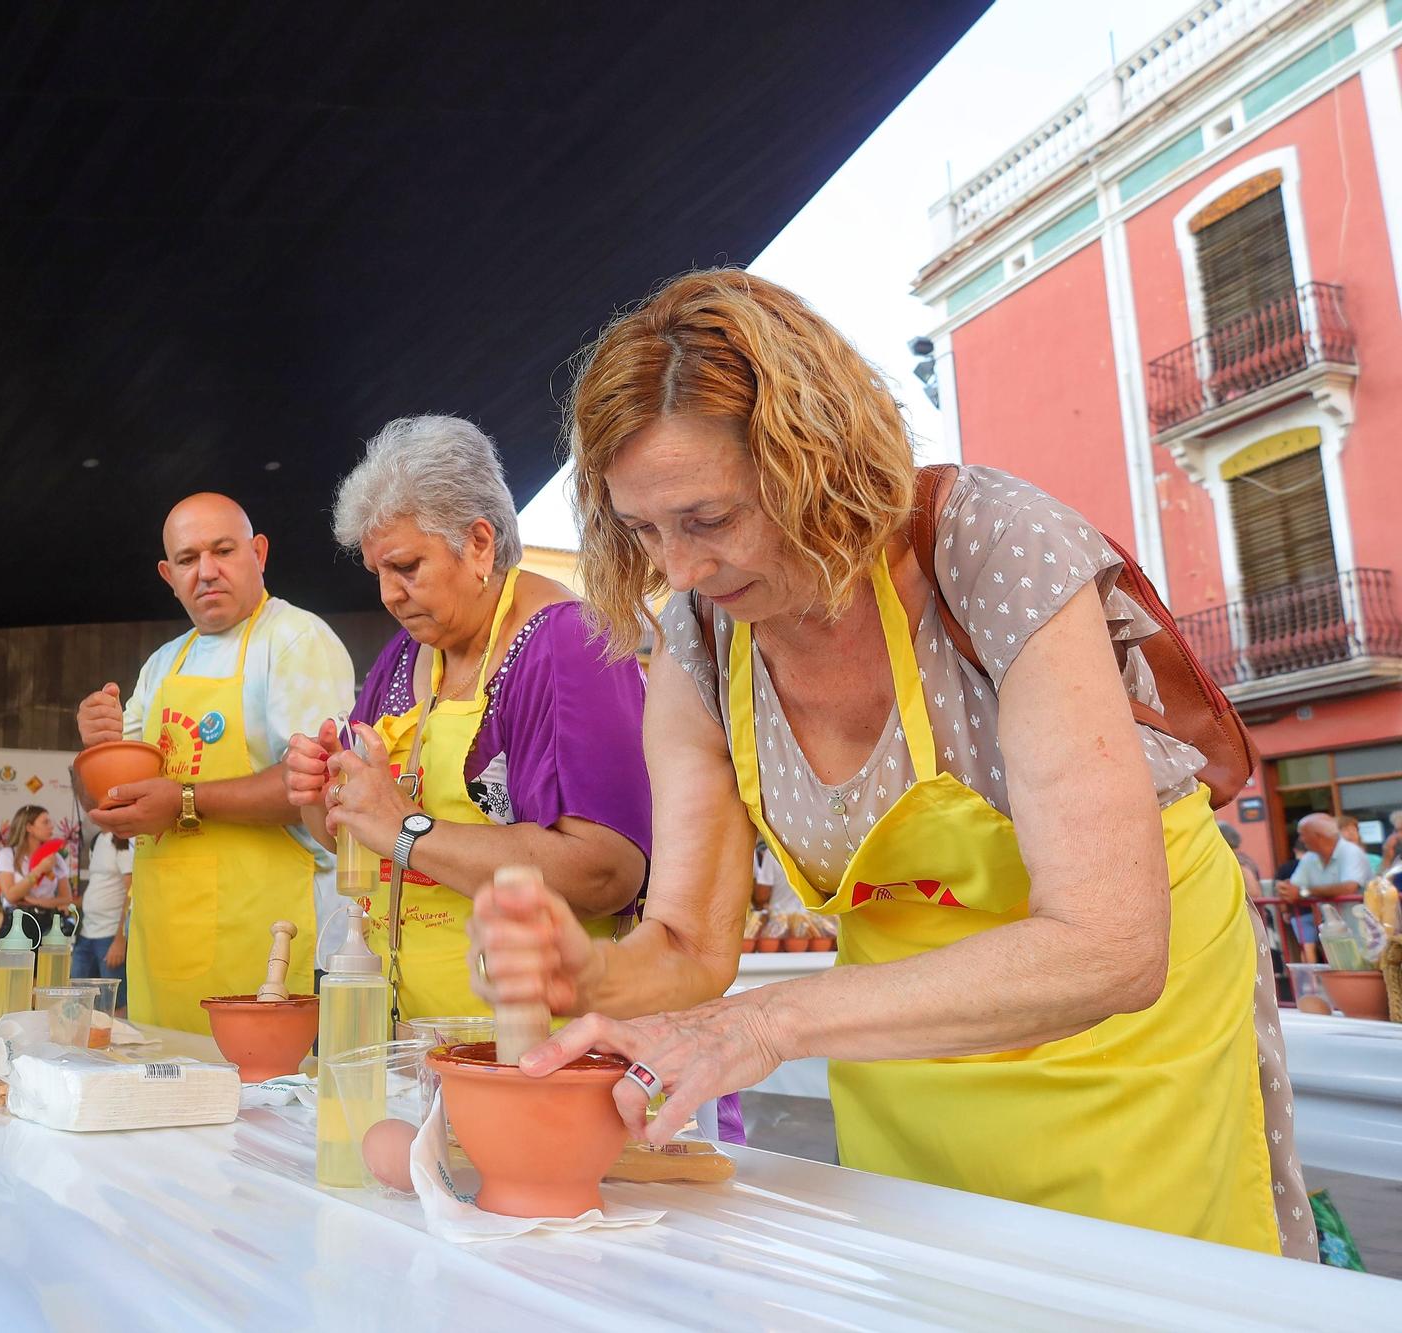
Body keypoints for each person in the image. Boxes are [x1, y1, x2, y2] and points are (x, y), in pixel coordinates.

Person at [466, 269, 1314, 1259]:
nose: (681, 569)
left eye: (708, 519)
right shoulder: (701, 640)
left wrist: (765, 1024)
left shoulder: (992, 548)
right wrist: (587, 971)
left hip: (1130, 1049)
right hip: (897, 1043)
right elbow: (691, 947)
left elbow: (1107, 947)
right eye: (645, 531)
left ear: (816, 461)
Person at [284, 416, 650, 1020]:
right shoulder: (405, 656)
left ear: (479, 543)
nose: (388, 595)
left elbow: (604, 873)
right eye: (378, 572)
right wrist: (318, 793)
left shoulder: (568, 644)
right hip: (412, 1035)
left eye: (407, 567)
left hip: (542, 1042)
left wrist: (408, 829)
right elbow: (354, 835)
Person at [76, 494, 354, 1034]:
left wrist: (184, 800)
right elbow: (108, 800)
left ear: (259, 553)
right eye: (187, 559)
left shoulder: (296, 639)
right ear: (168, 574)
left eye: (223, 550)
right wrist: (94, 750)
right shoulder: (162, 663)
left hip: (273, 939)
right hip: (167, 941)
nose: (207, 571)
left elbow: (319, 787)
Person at [1288, 812, 1372, 964]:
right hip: (1335, 934)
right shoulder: (1309, 858)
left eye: (1302, 834)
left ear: (1318, 836)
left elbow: (1348, 887)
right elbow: (1293, 887)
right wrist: (1284, 889)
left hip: (1364, 931)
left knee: (1366, 975)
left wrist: (1305, 892)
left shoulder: (1351, 852)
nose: (1300, 839)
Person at [0, 804, 74, 941]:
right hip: (17, 923)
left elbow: (66, 898)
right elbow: (11, 896)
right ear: (29, 828)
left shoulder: (56, 858)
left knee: (45, 962)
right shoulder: (8, 855)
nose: (51, 826)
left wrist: (35, 901)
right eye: (45, 822)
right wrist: (40, 870)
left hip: (48, 924)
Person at [76, 831, 134, 1001]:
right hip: (86, 933)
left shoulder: (121, 839)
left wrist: (120, 940)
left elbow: (131, 892)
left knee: (114, 1001)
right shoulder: (97, 840)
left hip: (109, 936)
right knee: (76, 1000)